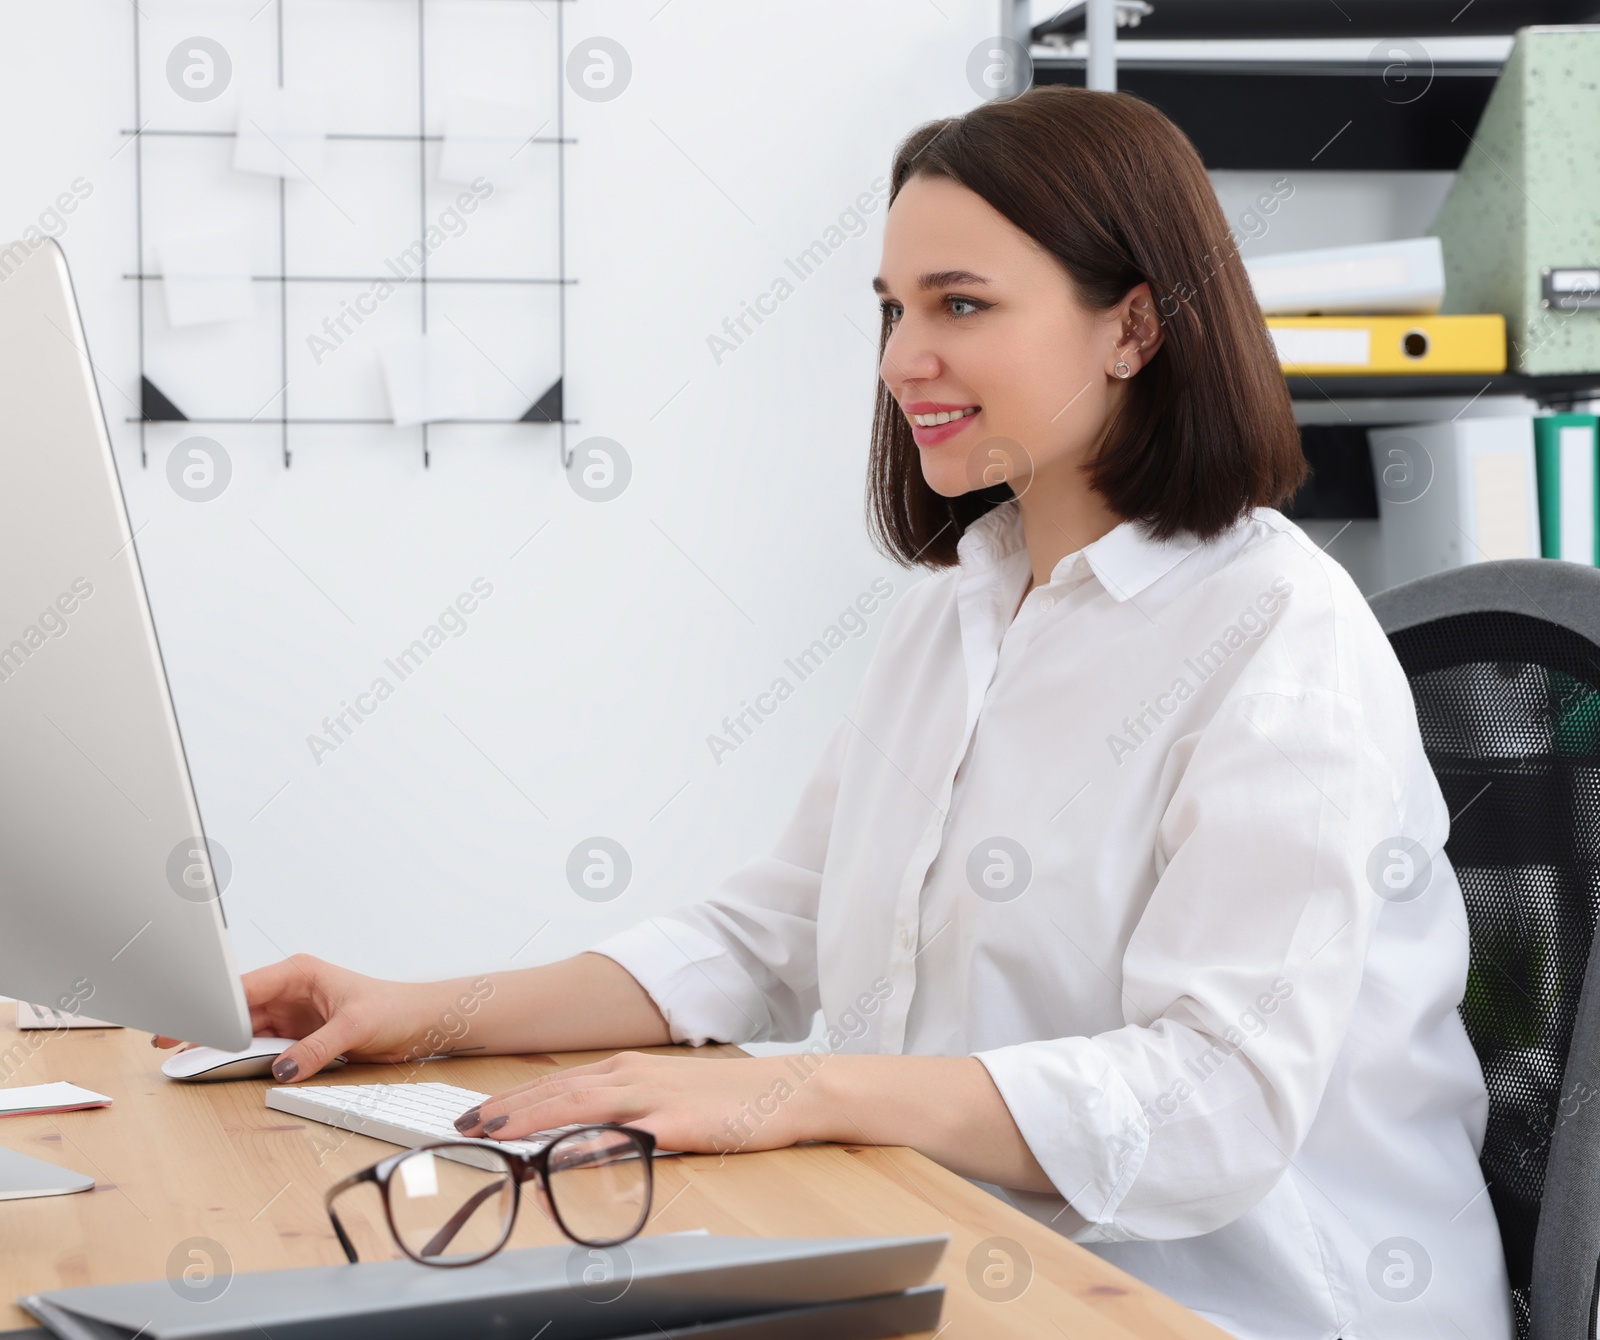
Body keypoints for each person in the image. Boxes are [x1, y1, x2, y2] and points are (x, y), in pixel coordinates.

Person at [156, 86, 1512, 1339]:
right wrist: (425, 1013)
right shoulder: (964, 606)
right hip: (977, 1256)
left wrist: (783, 1094)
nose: (902, 358)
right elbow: (775, 930)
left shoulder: (1280, 636)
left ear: (1134, 327)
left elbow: (1216, 1104)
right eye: (891, 308)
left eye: (961, 305)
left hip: (1237, 1308)